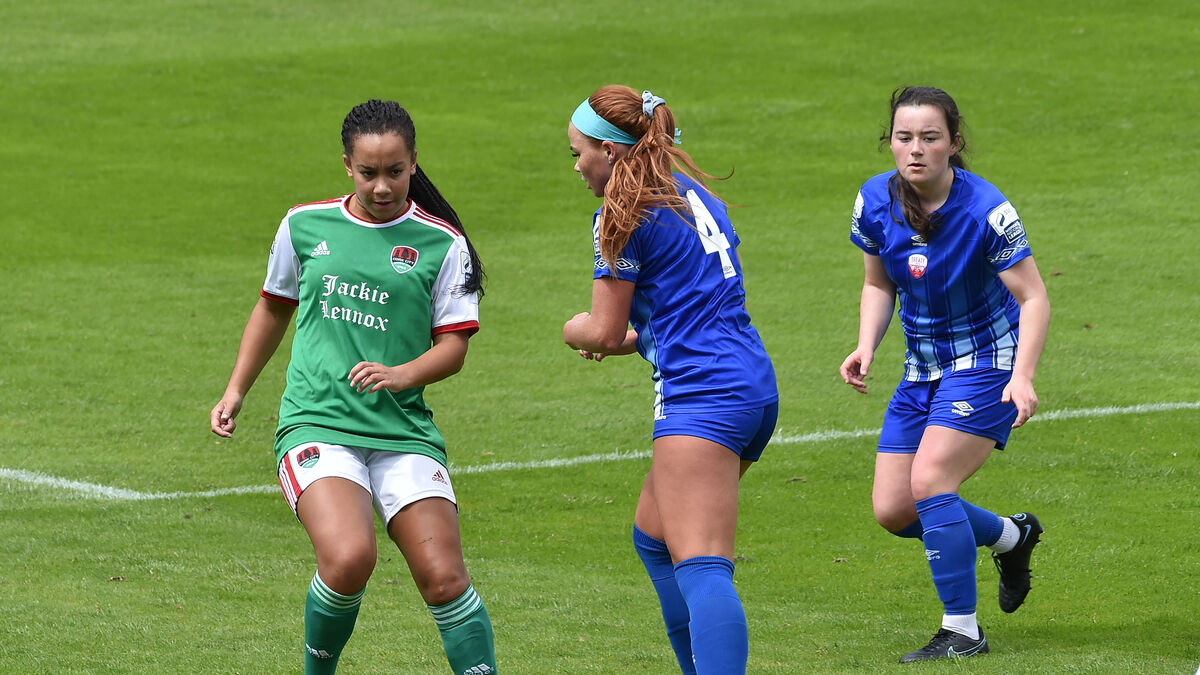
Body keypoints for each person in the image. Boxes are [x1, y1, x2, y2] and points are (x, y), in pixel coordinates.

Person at [209, 99, 497, 675]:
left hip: (402, 430)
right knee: (348, 557)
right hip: (318, 423)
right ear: (347, 165)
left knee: (444, 578)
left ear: (414, 162)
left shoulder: (442, 244)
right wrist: (236, 389)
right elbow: (273, 307)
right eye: (368, 172)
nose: (382, 185)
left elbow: (454, 347)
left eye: (395, 171)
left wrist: (402, 375)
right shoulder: (304, 226)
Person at [561, 85, 778, 675]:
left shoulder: (622, 213)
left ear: (609, 151)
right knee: (655, 538)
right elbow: (691, 303)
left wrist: (572, 330)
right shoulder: (693, 194)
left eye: (579, 153)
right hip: (751, 385)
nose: (576, 166)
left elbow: (602, 331)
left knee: (703, 563)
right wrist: (638, 337)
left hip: (701, 396)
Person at [839, 86, 1051, 662]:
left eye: (930, 138)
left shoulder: (987, 211)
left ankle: (963, 630)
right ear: (890, 142)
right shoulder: (873, 200)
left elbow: (1034, 298)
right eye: (904, 137)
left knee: (931, 482)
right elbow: (878, 282)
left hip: (987, 363)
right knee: (895, 509)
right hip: (922, 368)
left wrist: (1023, 375)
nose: (916, 149)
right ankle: (1012, 536)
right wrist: (865, 346)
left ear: (954, 143)